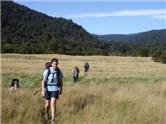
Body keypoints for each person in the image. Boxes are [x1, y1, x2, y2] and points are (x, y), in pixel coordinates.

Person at [41, 58, 64, 124]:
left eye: (56, 64)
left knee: (53, 103)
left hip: (55, 89)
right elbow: (43, 81)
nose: (55, 65)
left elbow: (61, 81)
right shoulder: (47, 71)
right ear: (51, 64)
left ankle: (53, 120)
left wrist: (61, 88)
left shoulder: (59, 71)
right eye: (54, 64)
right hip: (47, 89)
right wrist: (43, 91)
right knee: (47, 104)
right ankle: (46, 113)